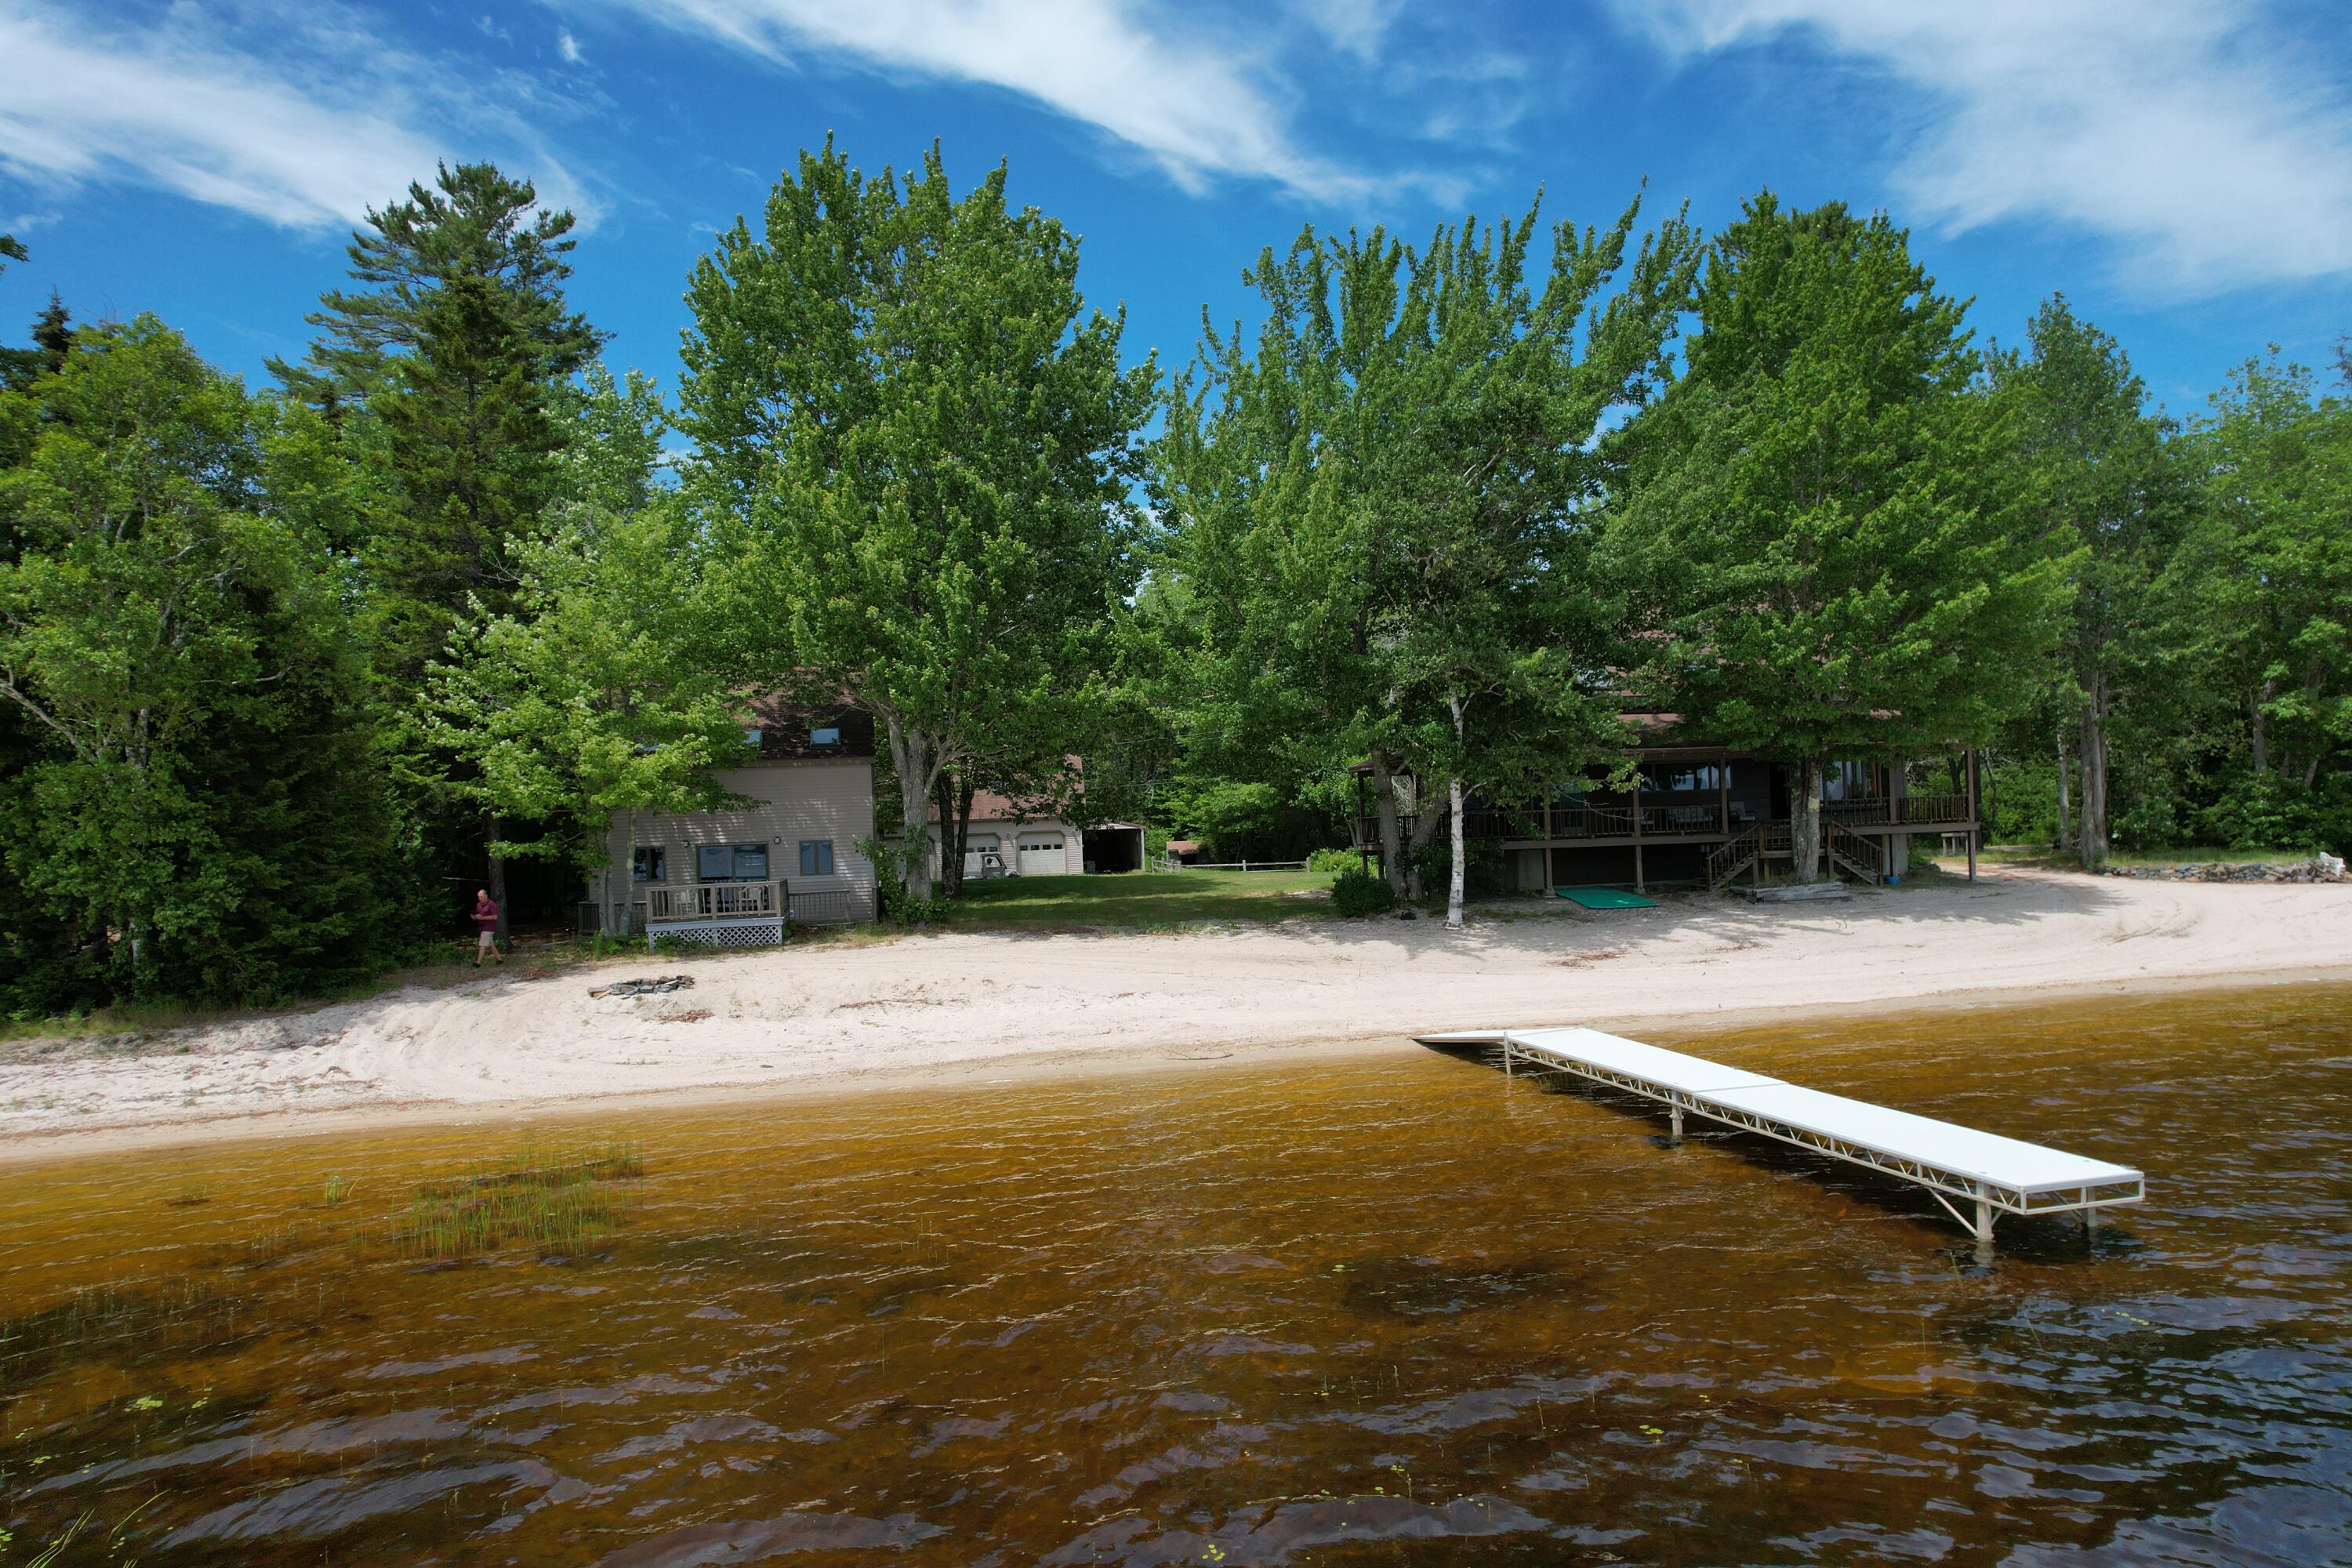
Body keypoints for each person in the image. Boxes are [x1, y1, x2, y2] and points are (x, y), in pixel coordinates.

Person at [472, 889, 503, 967]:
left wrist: (482, 918)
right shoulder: (478, 904)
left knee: (482, 943)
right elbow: (478, 915)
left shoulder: (492, 904)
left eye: (481, 897)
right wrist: (474, 917)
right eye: (479, 897)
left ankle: (478, 963)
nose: (480, 899)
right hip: (482, 927)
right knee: (491, 944)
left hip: (489, 927)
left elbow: (495, 917)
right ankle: (499, 960)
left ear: (486, 896)